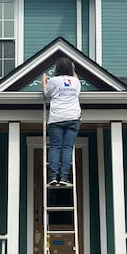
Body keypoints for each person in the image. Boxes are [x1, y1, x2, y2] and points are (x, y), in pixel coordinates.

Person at [42, 57, 81, 186]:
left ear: (57, 68)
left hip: (56, 118)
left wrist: (44, 80)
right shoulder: (75, 82)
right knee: (67, 147)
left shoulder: (53, 81)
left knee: (55, 147)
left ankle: (53, 176)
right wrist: (74, 69)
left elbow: (46, 94)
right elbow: (75, 78)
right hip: (72, 118)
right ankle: (64, 177)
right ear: (71, 69)